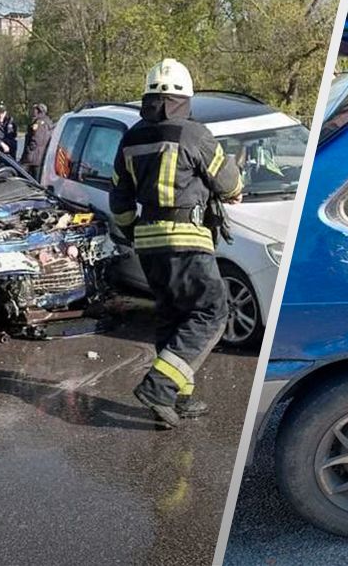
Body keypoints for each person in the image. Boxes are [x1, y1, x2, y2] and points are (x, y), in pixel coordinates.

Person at [110, 59, 243, 428]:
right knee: (212, 312)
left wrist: (132, 230)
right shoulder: (195, 134)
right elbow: (230, 185)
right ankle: (159, 387)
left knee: (173, 315)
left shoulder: (131, 138)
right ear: (186, 96)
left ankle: (177, 398)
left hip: (149, 243)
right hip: (187, 240)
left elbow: (118, 200)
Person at [19, 103, 53, 180]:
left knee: (22, 178)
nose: (33, 111)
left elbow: (37, 139)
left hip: (33, 157)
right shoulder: (48, 121)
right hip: (40, 157)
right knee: (36, 180)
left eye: (35, 109)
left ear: (38, 111)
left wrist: (29, 150)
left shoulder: (39, 122)